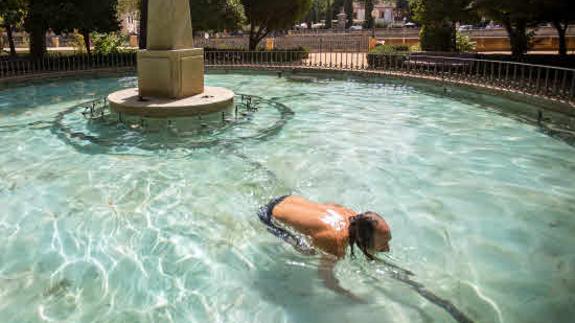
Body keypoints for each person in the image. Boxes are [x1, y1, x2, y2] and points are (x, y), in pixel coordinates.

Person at [258, 195, 392, 301]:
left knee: (314, 242)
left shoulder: (352, 216)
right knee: (309, 251)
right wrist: (350, 296)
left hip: (286, 199)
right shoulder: (337, 243)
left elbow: (331, 204)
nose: (387, 249)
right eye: (383, 244)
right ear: (364, 240)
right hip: (269, 216)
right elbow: (325, 278)